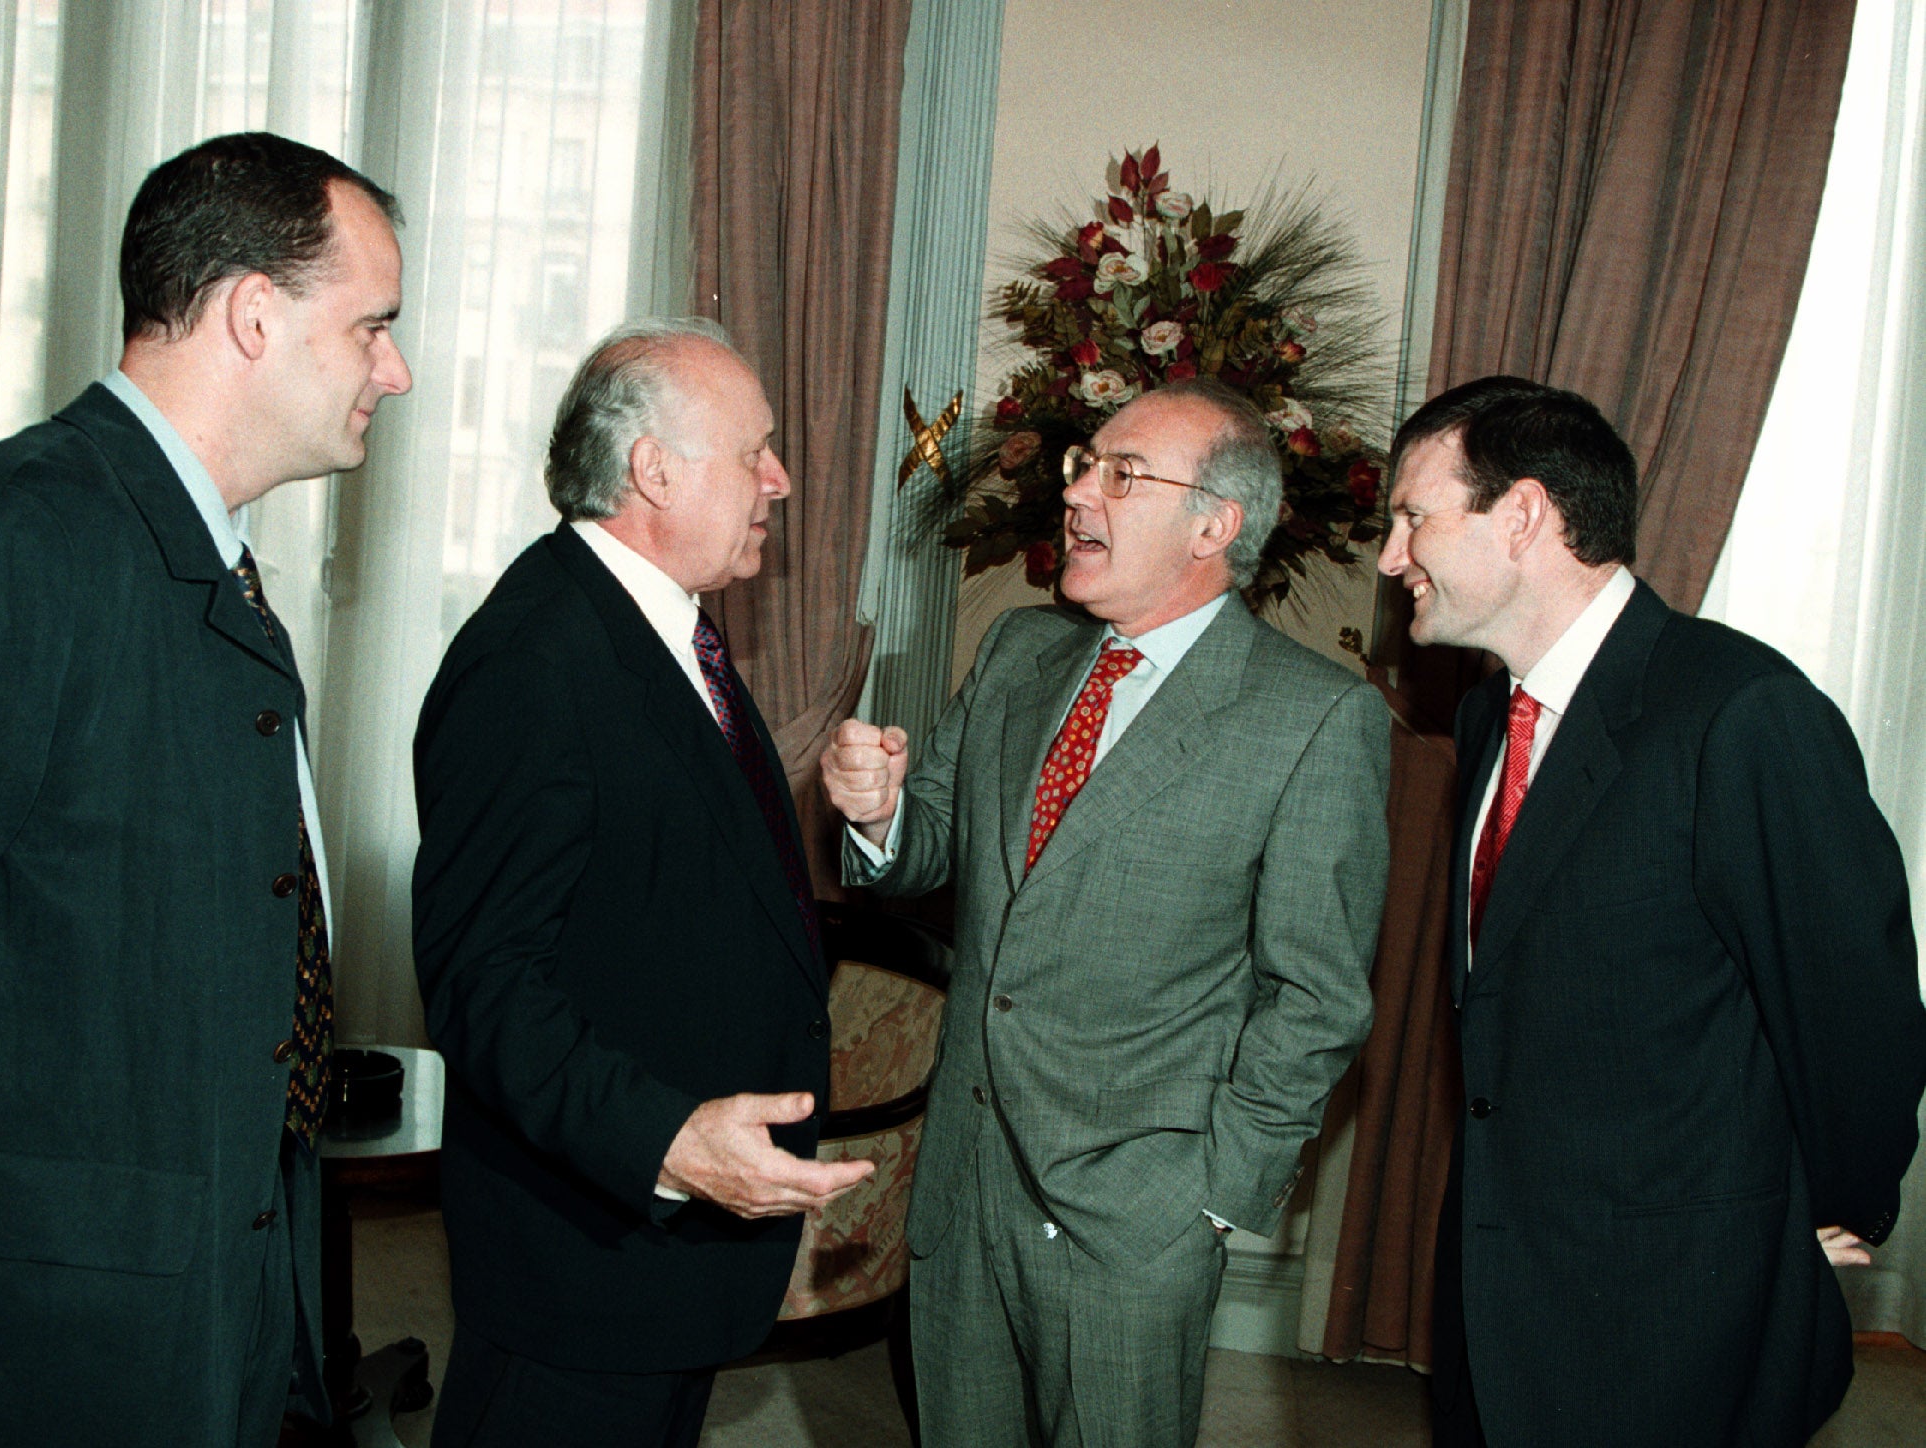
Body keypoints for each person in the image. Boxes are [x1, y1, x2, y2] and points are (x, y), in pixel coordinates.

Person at [0, 132, 411, 1446]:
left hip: (219, 1304)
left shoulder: (207, 559)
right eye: (373, 328)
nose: (396, 371)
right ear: (255, 314)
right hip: (51, 1346)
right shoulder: (18, 536)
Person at [822, 378, 1390, 1447]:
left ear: (1212, 526)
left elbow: (1314, 999)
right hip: (964, 1178)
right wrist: (883, 811)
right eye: (1083, 462)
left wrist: (1210, 1199)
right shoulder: (1016, 651)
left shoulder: (1313, 719)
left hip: (1138, 1216)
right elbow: (935, 836)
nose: (1076, 492)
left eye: (1119, 474)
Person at [1376, 375, 1926, 1448]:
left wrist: (1825, 1214)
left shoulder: (1739, 712)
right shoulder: (1492, 714)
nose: (1392, 556)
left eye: (1412, 516)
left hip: (1677, 1312)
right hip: (1503, 1285)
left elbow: (1851, 1010)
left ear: (1523, 513)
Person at [410, 317, 871, 1448]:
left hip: (655, 1257)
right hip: (582, 1251)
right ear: (652, 469)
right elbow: (484, 984)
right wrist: (664, 1137)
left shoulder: (664, 628)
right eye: (753, 450)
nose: (782, 478)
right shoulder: (534, 656)